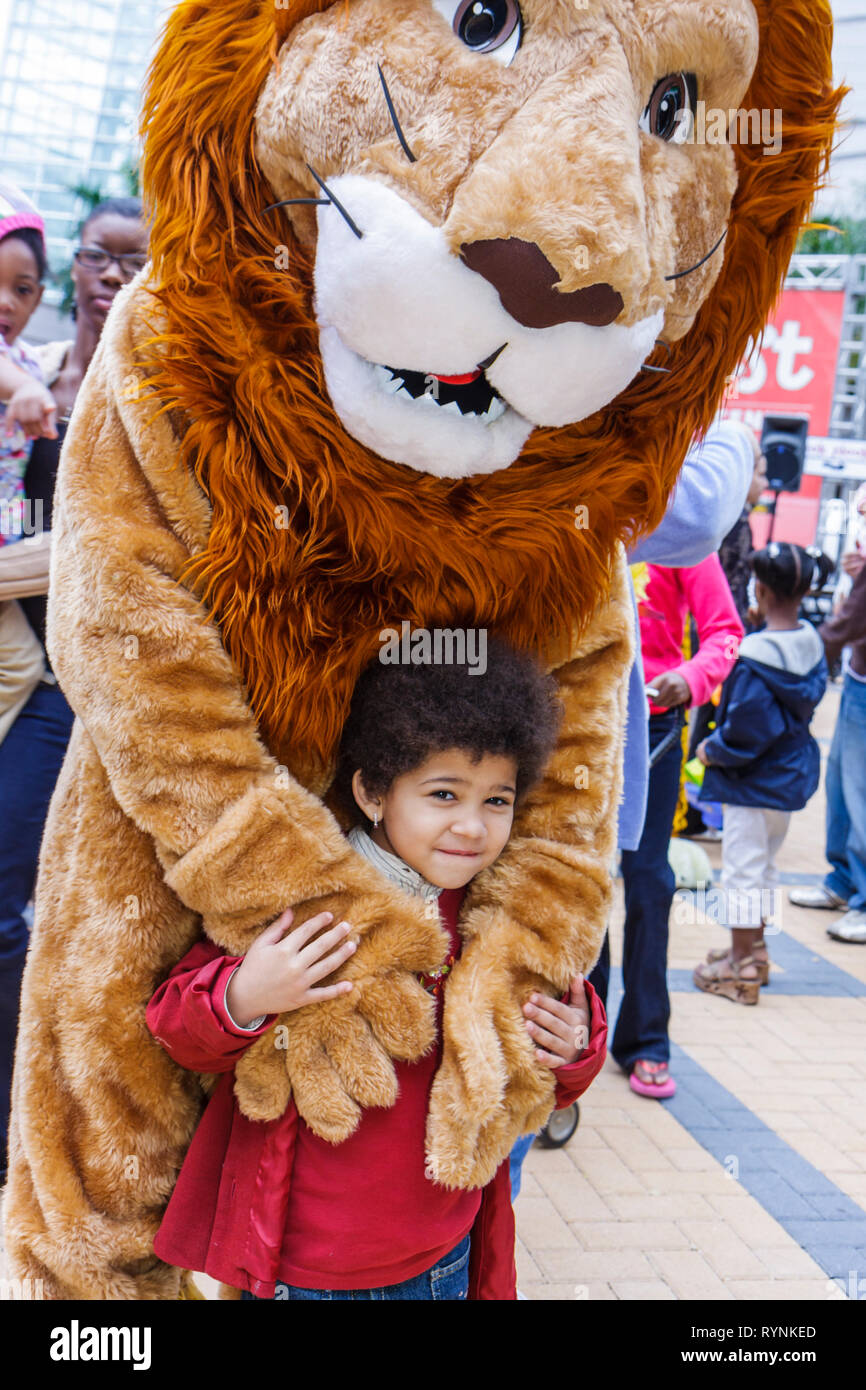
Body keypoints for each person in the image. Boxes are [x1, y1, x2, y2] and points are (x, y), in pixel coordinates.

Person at [145, 642, 609, 1300]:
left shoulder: (499, 917)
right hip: (301, 1274)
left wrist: (576, 1050)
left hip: (444, 1259)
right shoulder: (310, 897)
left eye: (497, 801)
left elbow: (560, 1050)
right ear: (371, 790)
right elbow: (175, 1022)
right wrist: (248, 993)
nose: (472, 826)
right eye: (443, 794)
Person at [0, 196, 147, 1185]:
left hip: (76, 687)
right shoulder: (37, 376)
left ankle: (23, 1123)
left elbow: (118, 549)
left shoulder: (152, 388)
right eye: (98, 255)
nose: (112, 274)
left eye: (136, 261)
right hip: (21, 670)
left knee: (31, 906)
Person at [591, 554, 743, 1098]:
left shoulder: (685, 535)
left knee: (649, 882)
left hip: (655, 731)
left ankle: (646, 1039)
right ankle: (579, 1034)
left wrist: (688, 677)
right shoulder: (588, 516)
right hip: (584, 724)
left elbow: (726, 633)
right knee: (583, 879)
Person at [693, 543, 831, 1001]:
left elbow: (748, 731)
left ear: (762, 589)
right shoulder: (810, 644)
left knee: (742, 873)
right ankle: (756, 950)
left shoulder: (756, 658)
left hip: (751, 785)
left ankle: (741, 966)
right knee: (765, 867)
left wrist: (714, 749)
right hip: (788, 780)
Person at [0, 183, 58, 745]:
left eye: (20, 290)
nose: (6, 302)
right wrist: (23, 391)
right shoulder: (18, 373)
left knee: (18, 667)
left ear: (38, 299)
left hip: (8, 553)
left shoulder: (25, 360)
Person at [788, 534, 866, 944]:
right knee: (842, 786)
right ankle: (843, 881)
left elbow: (848, 621)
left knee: (859, 791)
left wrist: (796, 652)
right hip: (858, 677)